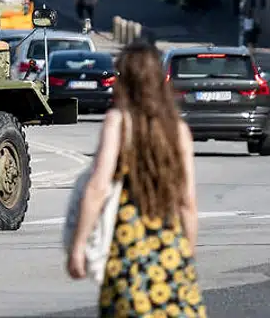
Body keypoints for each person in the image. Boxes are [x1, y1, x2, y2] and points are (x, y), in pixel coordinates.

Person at [66, 40, 203, 317]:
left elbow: (98, 188)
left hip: (127, 252)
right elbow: (187, 201)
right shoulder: (178, 130)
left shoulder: (119, 122)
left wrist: (78, 245)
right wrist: (188, 251)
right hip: (171, 249)